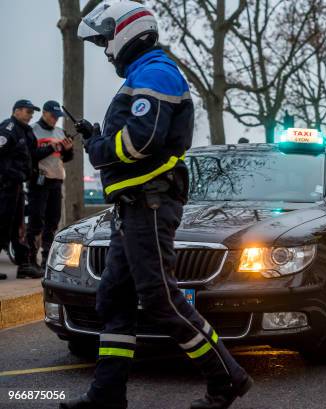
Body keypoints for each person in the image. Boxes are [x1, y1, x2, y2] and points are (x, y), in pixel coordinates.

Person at [60, 2, 252, 409]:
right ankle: (107, 396)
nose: (106, 50)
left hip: (149, 203)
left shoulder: (155, 71)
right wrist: (101, 133)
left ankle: (227, 378)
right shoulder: (144, 73)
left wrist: (97, 147)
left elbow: (140, 142)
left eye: (106, 40)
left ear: (127, 31)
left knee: (161, 298)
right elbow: (140, 136)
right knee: (115, 299)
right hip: (133, 206)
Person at [0, 100, 53, 279]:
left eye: (32, 112)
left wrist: (52, 148)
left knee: (19, 227)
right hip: (5, 186)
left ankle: (24, 266)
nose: (31, 115)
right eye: (28, 111)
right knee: (2, 225)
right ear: (16, 111)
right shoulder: (8, 129)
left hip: (17, 187)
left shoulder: (27, 132)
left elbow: (33, 154)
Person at [26, 100, 74, 270]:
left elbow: (67, 158)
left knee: (53, 221)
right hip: (39, 181)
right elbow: (29, 155)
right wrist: (50, 147)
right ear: (44, 113)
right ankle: (30, 260)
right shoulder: (32, 131)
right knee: (36, 221)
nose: (55, 119)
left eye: (57, 117)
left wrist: (67, 150)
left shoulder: (60, 132)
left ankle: (47, 258)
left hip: (57, 179)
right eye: (52, 116)